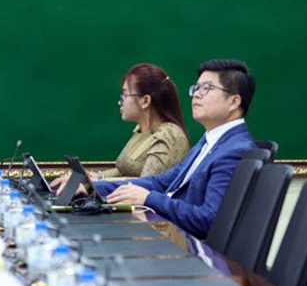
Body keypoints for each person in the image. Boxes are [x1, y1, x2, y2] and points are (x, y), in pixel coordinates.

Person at [61, 59, 257, 239]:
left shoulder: (235, 150)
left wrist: (149, 198)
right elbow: (160, 182)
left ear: (234, 101)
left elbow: (209, 221)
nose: (196, 94)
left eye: (207, 88)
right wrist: (92, 187)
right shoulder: (209, 142)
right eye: (196, 88)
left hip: (187, 248)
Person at [58, 64, 190, 185]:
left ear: (145, 101)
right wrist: (86, 179)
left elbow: (146, 185)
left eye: (125, 95)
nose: (120, 102)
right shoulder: (142, 130)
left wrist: (96, 182)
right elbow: (124, 171)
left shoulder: (169, 135)